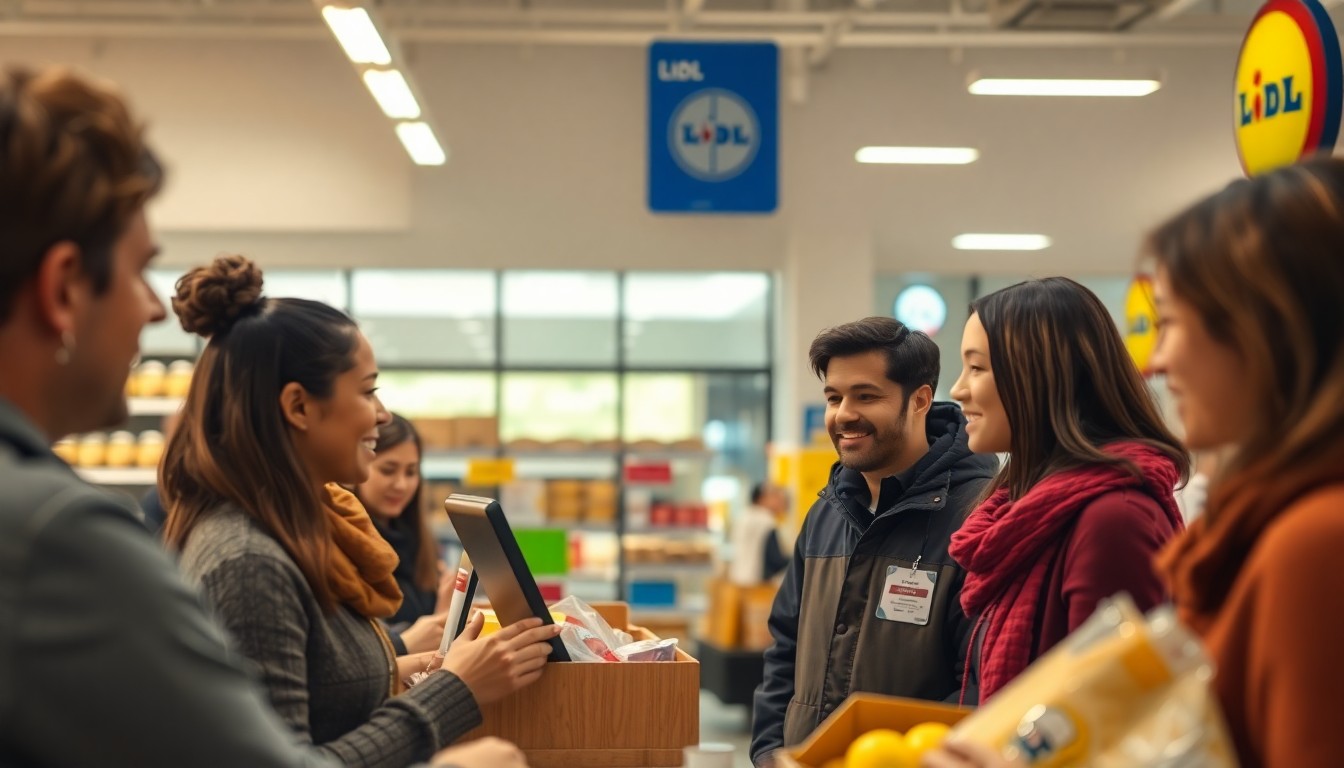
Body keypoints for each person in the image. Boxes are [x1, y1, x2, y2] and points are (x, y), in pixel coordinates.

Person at [0, 65, 521, 767]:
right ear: (64, 287)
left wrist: (396, 664)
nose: (156, 309)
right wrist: (448, 718)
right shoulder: (61, 538)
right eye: (135, 271)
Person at [161, 254, 560, 768]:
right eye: (368, 391)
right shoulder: (249, 563)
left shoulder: (288, 530)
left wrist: (406, 663)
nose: (382, 414)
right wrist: (454, 689)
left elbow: (321, 687)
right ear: (299, 407)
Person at [1146, 158, 1344, 767]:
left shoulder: (1316, 543)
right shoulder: (1268, 519)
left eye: (1170, 323)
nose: (1155, 361)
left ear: (1265, 332)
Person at [751, 317, 998, 767]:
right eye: (834, 397)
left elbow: (978, 681)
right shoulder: (826, 513)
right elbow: (785, 649)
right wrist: (769, 753)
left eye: (866, 396)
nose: (844, 413)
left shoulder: (978, 515)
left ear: (920, 399)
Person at [946, 278, 1187, 705]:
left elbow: (1115, 713)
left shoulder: (1114, 520)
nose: (958, 389)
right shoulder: (1017, 512)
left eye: (977, 367)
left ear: (1038, 376)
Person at [354, 413, 451, 628]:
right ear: (358, 464)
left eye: (411, 472)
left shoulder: (418, 542)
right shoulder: (348, 545)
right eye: (388, 470)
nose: (401, 485)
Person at [728, 481, 790, 586]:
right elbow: (775, 560)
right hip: (756, 586)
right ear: (762, 498)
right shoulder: (766, 520)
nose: (782, 501)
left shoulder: (744, 516)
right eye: (776, 496)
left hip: (738, 581)